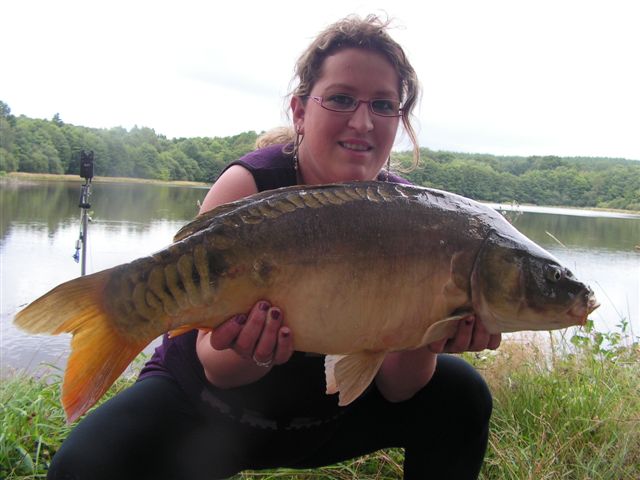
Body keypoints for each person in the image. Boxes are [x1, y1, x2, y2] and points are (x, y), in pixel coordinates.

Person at [47, 14, 501, 480]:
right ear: (301, 109)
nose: (363, 121)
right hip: (210, 415)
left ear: (399, 120)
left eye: (384, 105)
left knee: (462, 395)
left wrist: (430, 337)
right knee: (82, 466)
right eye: (342, 98)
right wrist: (246, 348)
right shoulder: (250, 184)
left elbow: (401, 389)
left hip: (331, 418)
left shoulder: (414, 217)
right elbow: (217, 370)